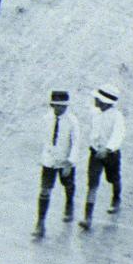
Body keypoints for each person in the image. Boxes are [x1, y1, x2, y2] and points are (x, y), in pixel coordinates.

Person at [32, 90, 81, 239]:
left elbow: (76, 143)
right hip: (49, 161)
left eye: (63, 106)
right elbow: (45, 140)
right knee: (44, 191)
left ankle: (69, 204)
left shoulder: (72, 121)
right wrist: (46, 157)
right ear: (52, 105)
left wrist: (69, 162)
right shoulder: (46, 119)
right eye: (57, 106)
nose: (60, 109)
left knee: (68, 185)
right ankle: (40, 223)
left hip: (65, 160)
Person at [79, 84, 126, 231]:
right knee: (92, 185)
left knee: (113, 178)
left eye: (98, 99)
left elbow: (118, 134)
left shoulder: (117, 117)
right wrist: (95, 146)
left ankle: (116, 198)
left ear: (105, 102)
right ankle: (88, 217)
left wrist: (107, 149)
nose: (95, 100)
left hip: (110, 155)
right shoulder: (95, 113)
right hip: (95, 154)